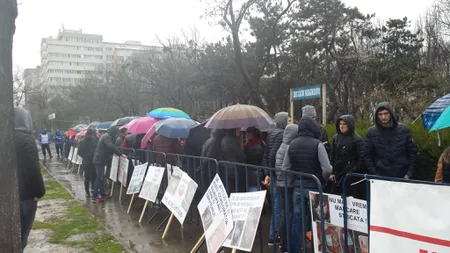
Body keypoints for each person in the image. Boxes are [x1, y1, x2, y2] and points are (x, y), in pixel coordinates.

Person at [281, 116, 332, 253]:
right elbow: (327, 169)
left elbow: (285, 168)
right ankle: (319, 249)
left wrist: (294, 177)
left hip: (298, 188)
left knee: (297, 223)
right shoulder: (318, 145)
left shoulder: (291, 145)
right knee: (319, 222)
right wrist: (324, 179)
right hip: (315, 188)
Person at [14, 107, 46, 250]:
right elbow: (33, 169)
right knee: (21, 237)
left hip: (8, 194)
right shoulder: (26, 140)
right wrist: (39, 192)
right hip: (25, 196)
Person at [364, 102, 417, 179]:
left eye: (386, 113)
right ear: (376, 116)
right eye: (380, 114)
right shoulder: (371, 132)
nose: (383, 117)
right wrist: (375, 173)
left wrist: (409, 173)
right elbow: (367, 155)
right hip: (381, 175)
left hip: (402, 174)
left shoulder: (404, 130)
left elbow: (412, 152)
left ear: (391, 114)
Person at [261, 111, 288, 246]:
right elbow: (272, 156)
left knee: (276, 205)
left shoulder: (271, 133)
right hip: (278, 176)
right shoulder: (281, 134)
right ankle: (275, 235)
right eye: (287, 120)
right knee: (279, 205)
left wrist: (267, 173)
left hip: (272, 174)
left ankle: (274, 234)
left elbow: (265, 156)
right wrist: (274, 173)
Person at [274, 124, 298, 252]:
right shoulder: (289, 147)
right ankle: (286, 244)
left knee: (284, 213)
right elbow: (287, 167)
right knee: (288, 214)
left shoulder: (282, 146)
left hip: (280, 183)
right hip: (287, 184)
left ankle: (283, 243)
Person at [329, 115, 364, 197]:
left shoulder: (357, 140)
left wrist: (352, 172)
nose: (341, 126)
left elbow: (361, 159)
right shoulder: (336, 138)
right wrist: (332, 171)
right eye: (340, 124)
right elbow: (332, 155)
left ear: (349, 125)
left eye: (344, 124)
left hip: (351, 176)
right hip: (337, 175)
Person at [93, 126, 126, 203]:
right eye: (116, 133)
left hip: (101, 159)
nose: (117, 135)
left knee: (101, 178)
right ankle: (95, 196)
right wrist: (120, 154)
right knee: (99, 178)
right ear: (113, 132)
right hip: (99, 160)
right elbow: (110, 146)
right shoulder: (106, 137)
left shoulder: (106, 136)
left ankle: (102, 194)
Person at [221, 128, 246, 193]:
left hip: (227, 166)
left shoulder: (224, 139)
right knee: (237, 187)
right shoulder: (232, 140)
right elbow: (240, 154)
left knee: (230, 186)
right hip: (235, 166)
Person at [243, 127, 265, 191]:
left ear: (250, 134)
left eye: (246, 134)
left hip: (250, 171)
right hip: (260, 170)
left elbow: (245, 158)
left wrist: (244, 146)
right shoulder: (262, 143)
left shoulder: (248, 146)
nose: (245, 136)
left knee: (252, 189)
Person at [78, 129, 97, 197]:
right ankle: (87, 191)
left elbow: (94, 148)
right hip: (86, 161)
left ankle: (93, 188)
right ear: (90, 134)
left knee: (94, 175)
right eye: (93, 135)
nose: (94, 136)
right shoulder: (82, 141)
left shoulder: (92, 140)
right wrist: (87, 156)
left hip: (93, 161)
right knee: (87, 176)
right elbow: (79, 152)